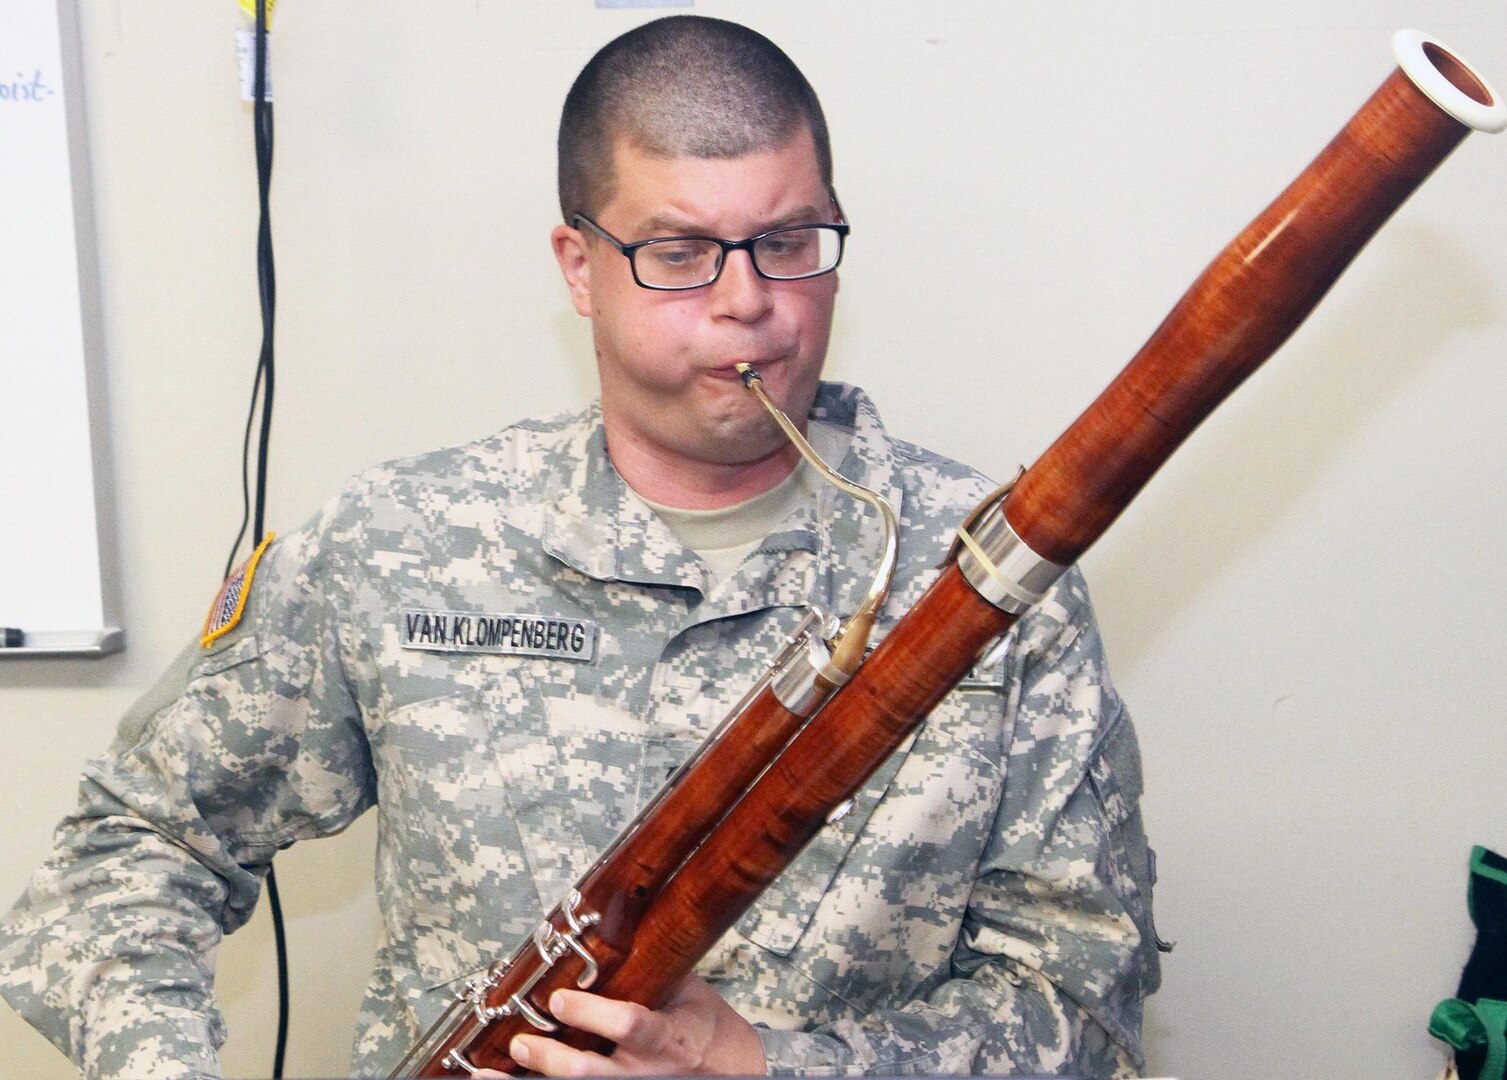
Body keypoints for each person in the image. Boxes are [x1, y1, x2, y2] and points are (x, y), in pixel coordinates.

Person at [0, 15, 1161, 1079]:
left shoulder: (995, 580)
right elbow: (126, 852)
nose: (746, 302)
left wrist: (767, 1065)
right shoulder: (401, 544)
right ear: (577, 268)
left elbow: (1088, 1008)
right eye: (678, 251)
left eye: (788, 239)